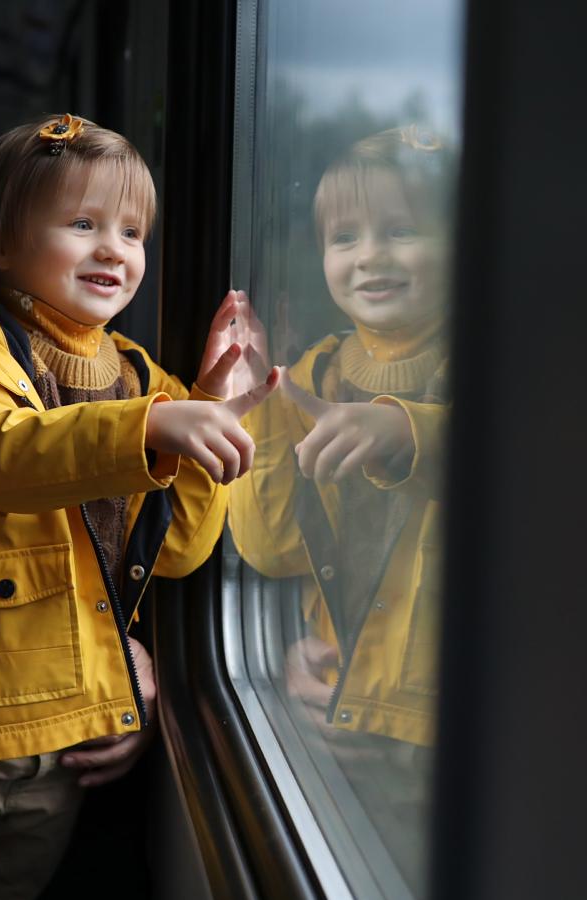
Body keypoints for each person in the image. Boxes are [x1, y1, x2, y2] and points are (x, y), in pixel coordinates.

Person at [0, 113, 280, 899]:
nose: (113, 249)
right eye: (81, 224)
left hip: (68, 728)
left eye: (131, 231)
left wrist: (200, 430)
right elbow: (0, 457)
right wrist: (153, 424)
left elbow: (176, 551)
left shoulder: (137, 374)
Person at [225, 125, 455, 882]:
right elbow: (274, 548)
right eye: (345, 237)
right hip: (347, 704)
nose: (371, 256)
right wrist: (256, 408)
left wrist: (402, 430)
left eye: (402, 231)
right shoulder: (316, 371)